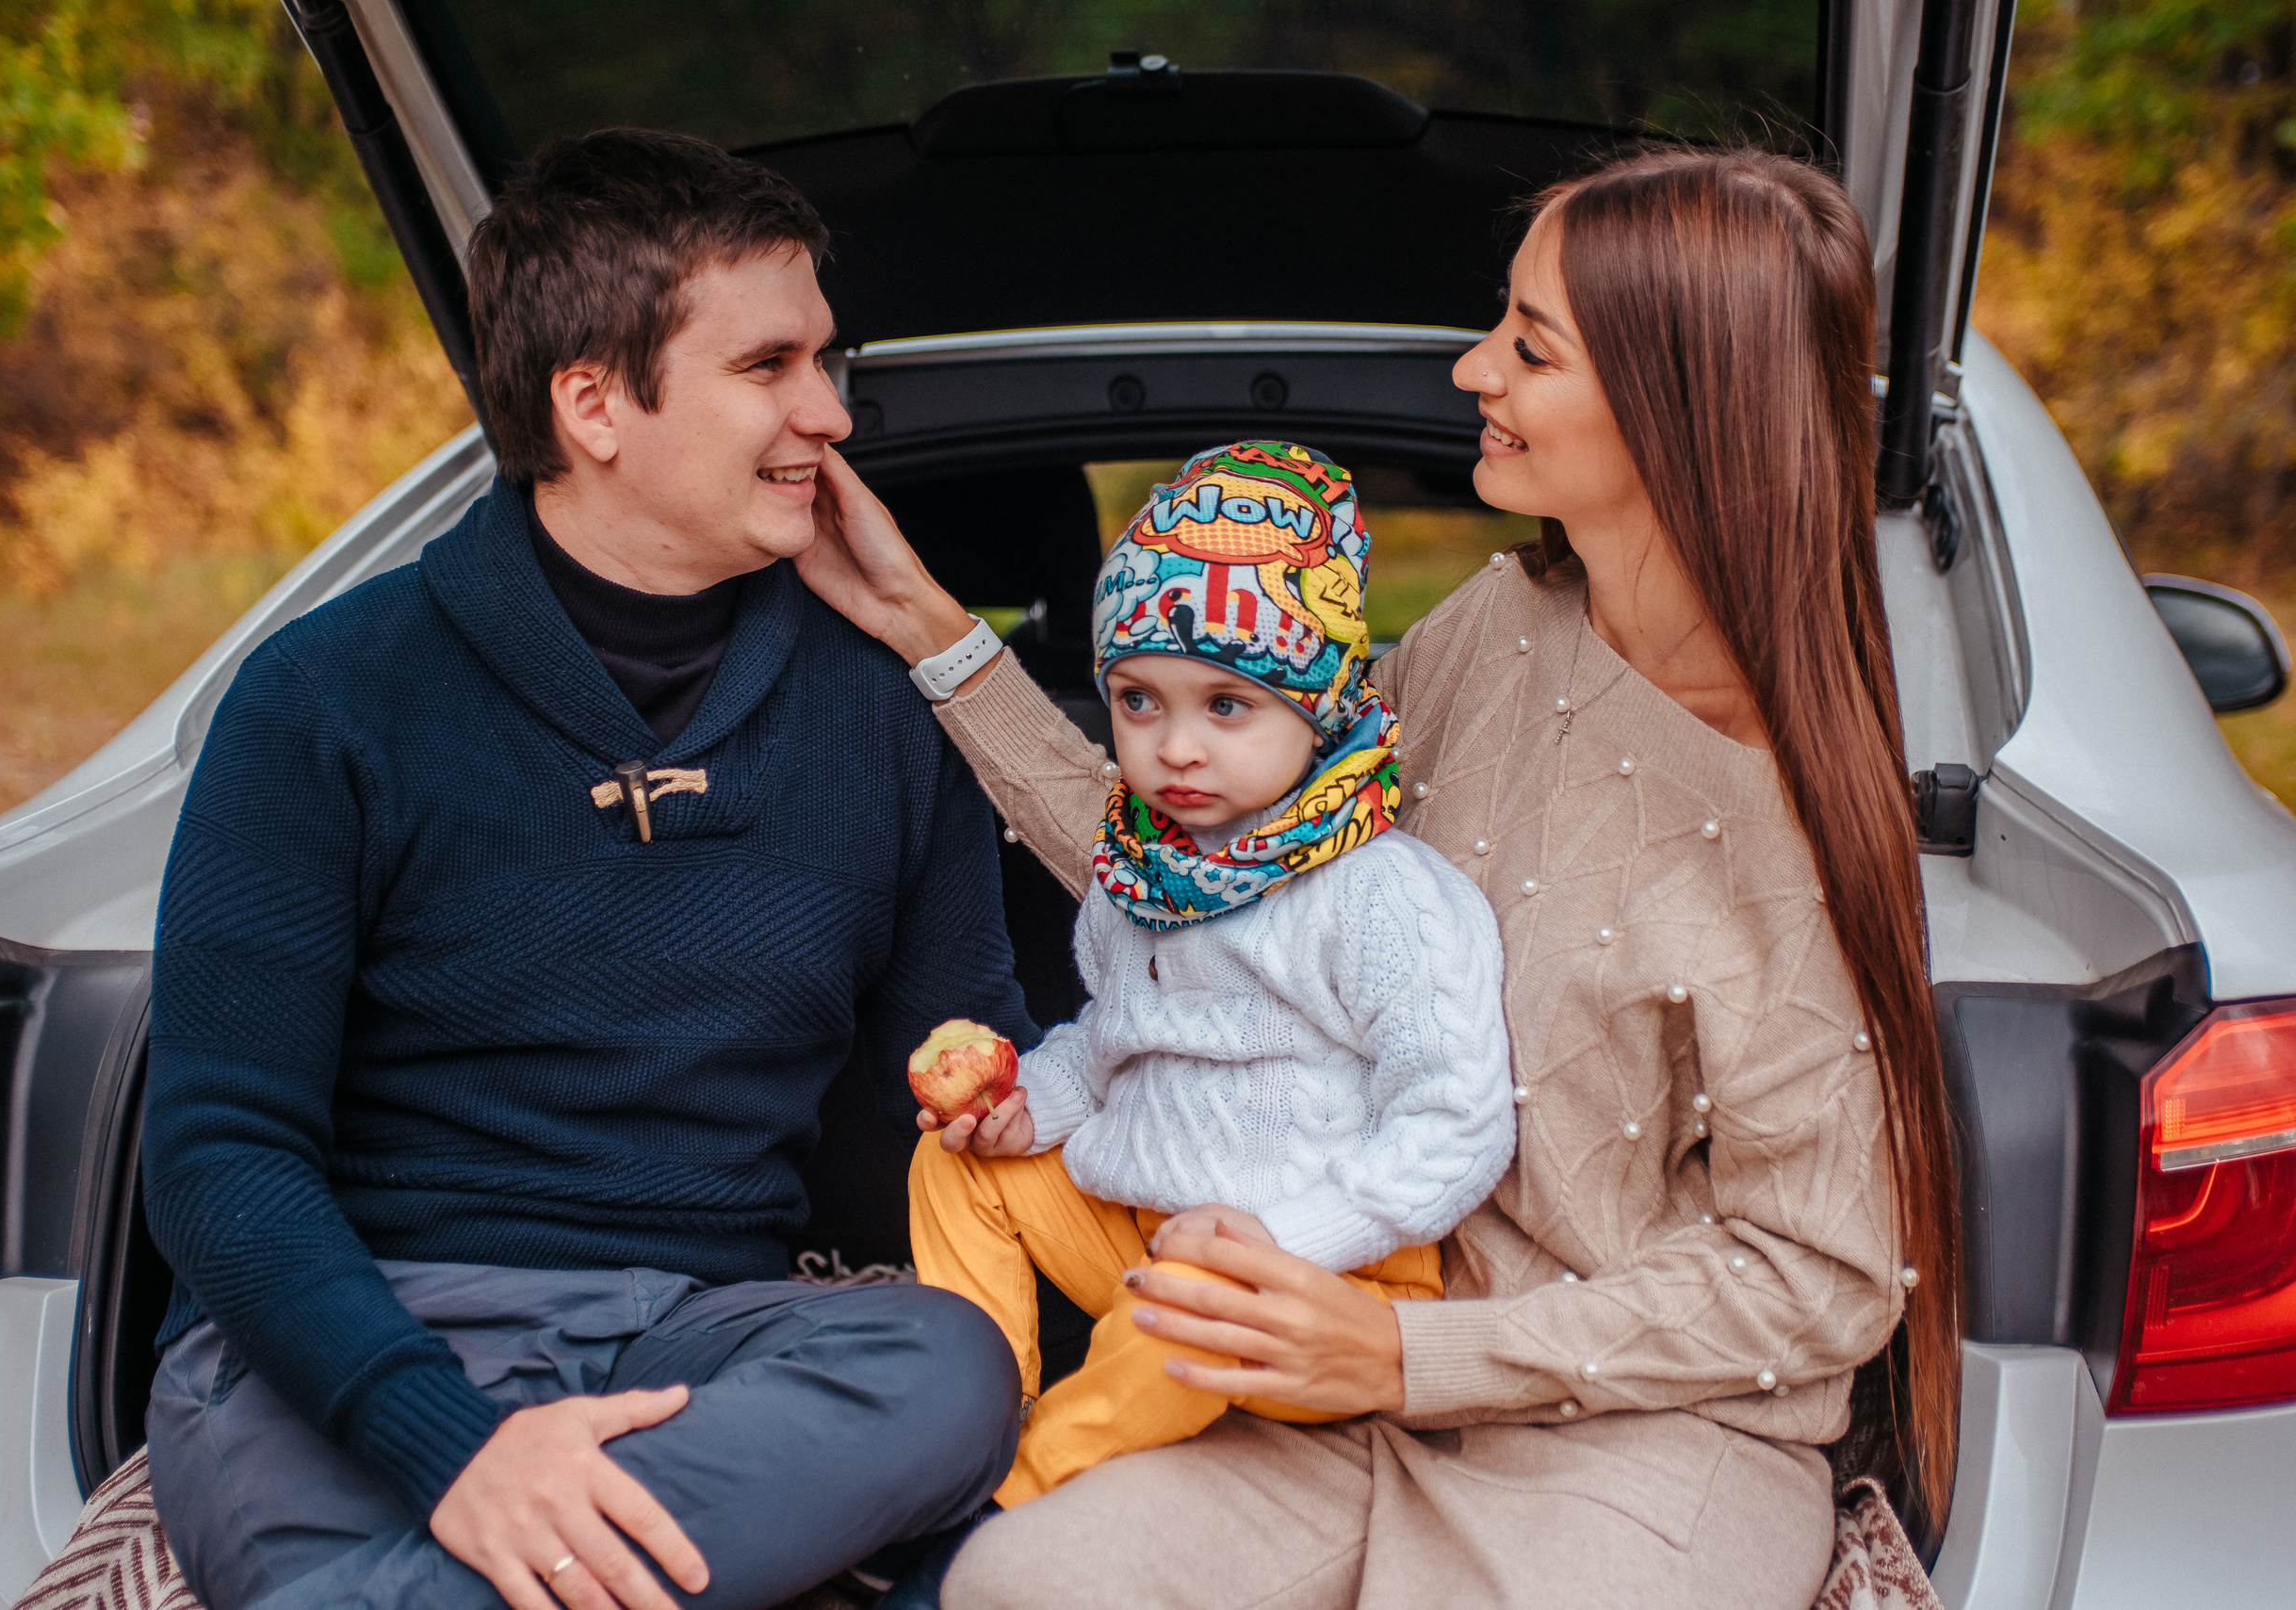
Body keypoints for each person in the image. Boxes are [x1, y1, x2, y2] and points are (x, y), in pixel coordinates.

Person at [796, 146, 1957, 1607]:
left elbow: (1818, 1282)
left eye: (1529, 347)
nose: (1474, 368)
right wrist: (928, 625)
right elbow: (1203, 850)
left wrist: (1414, 1356)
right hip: (1330, 1373)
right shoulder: (1495, 628)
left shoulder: (1796, 829)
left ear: (1675, 405)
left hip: (1634, 1440)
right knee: (1015, 1586)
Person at [140, 129, 1030, 1610]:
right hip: (347, 1348)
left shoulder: (878, 709)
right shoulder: (327, 698)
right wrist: (455, 1452)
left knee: (946, 1362)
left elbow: (966, 1076)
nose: (831, 411)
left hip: (703, 1349)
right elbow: (221, 1159)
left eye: (827, 358)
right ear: (595, 402)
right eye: (771, 366)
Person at [909, 442, 1512, 1510]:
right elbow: (1109, 1048)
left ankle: (1009, 1493)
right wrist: (1026, 1107)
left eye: (1226, 706)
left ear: (1320, 708)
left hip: (1319, 1281)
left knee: (1194, 1299)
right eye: (1139, 701)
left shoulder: (1380, 895)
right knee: (954, 1169)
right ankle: (966, 1418)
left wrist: (1287, 1240)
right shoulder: (1139, 877)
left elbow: (1455, 1121)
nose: (1174, 747)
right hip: (1147, 1235)